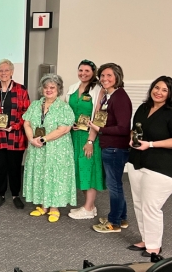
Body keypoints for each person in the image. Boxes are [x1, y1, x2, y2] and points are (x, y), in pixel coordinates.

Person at [126, 76, 172, 257]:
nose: (158, 92)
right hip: (137, 162)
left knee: (151, 206)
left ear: (171, 94)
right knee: (139, 204)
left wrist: (151, 144)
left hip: (162, 167)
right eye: (156, 87)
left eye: (164, 90)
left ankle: (154, 246)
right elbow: (135, 128)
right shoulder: (144, 107)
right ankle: (146, 239)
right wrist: (132, 138)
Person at [22, 74, 76, 222]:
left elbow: (64, 129)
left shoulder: (63, 107)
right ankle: (43, 205)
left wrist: (43, 139)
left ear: (58, 89)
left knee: (55, 176)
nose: (48, 90)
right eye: (46, 87)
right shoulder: (34, 105)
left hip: (56, 149)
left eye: (52, 87)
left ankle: (54, 208)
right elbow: (26, 123)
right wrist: (31, 139)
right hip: (37, 147)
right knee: (40, 174)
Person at [90, 63, 133, 233]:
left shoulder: (120, 97)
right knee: (116, 185)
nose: (104, 79)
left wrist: (100, 129)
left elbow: (123, 128)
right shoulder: (109, 96)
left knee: (114, 186)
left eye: (109, 75)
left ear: (117, 77)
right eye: (102, 76)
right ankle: (121, 218)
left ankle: (113, 222)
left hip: (115, 148)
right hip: (109, 146)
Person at [0, 59, 30, 209]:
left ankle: (16, 194)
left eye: (6, 70)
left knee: (15, 167)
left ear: (12, 72)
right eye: (0, 71)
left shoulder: (21, 90)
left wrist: (15, 126)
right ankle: (1, 193)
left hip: (15, 135)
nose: (3, 73)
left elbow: (26, 112)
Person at [65, 60, 105, 220]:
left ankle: (88, 208)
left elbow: (100, 117)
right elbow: (67, 110)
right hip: (75, 135)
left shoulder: (98, 90)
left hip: (89, 137)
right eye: (80, 70)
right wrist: (70, 123)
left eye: (87, 71)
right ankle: (90, 206)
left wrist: (90, 141)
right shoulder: (73, 88)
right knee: (79, 170)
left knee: (89, 170)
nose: (83, 73)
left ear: (93, 72)